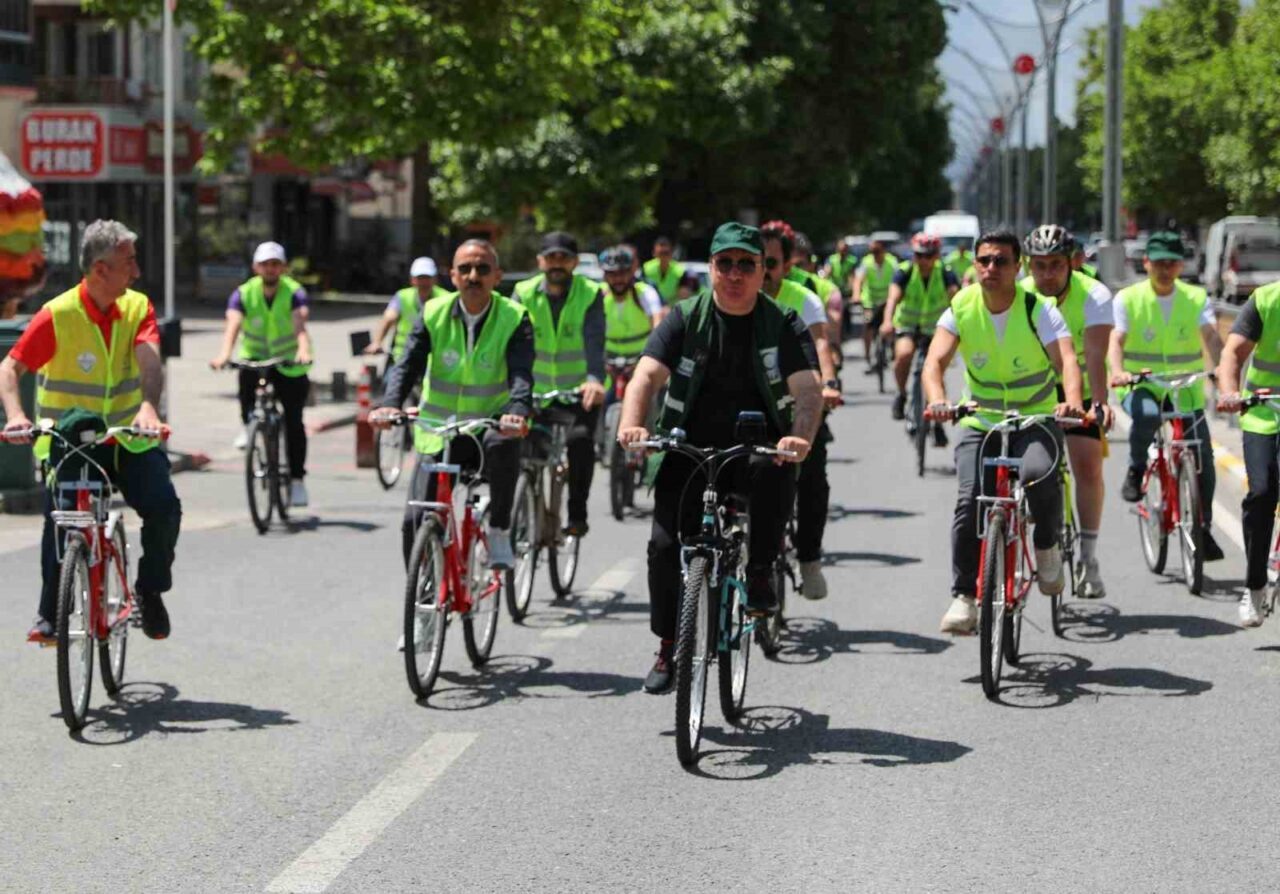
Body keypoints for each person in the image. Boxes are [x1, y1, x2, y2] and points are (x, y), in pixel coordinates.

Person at [618, 221, 821, 693]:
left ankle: (761, 572)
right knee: (665, 548)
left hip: (755, 446)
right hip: (687, 445)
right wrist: (634, 425)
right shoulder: (685, 317)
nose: (734, 274)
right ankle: (670, 645)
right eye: (724, 263)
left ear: (761, 271)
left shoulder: (783, 322)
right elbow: (645, 377)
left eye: (746, 265)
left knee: (775, 472)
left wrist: (799, 437)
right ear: (711, 267)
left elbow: (808, 392)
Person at [0, 220, 181, 642]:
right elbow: (10, 368)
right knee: (60, 518)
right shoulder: (58, 315)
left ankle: (150, 591)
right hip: (70, 441)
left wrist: (149, 408)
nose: (136, 272)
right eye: (128, 262)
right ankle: (50, 612)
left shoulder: (137, 308)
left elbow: (149, 361)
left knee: (163, 507)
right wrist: (15, 416)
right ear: (100, 269)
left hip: (127, 439)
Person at [923, 230, 1084, 635]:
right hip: (981, 419)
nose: (990, 268)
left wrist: (1072, 402)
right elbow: (934, 362)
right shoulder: (961, 305)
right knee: (968, 500)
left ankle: (1047, 546)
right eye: (984, 260)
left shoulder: (1039, 308)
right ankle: (963, 597)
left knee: (1038, 474)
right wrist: (939, 398)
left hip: (1035, 418)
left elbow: (1066, 359)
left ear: (1018, 268)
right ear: (974, 264)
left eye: (1000, 261)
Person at [371, 240, 531, 569]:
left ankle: (500, 530)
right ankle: (425, 597)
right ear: (453, 276)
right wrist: (390, 404)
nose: (474, 276)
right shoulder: (433, 313)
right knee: (415, 519)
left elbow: (521, 373)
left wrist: (516, 412)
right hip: (439, 432)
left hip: (488, 428)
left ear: (497, 276)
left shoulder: (514, 317)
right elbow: (407, 365)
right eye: (465, 269)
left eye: (483, 269)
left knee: (504, 446)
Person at [1108, 231, 1224, 561]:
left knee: (1204, 461)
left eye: (1171, 262)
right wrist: (1118, 372)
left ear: (1180, 265)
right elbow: (1116, 341)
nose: (1164, 268)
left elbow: (1212, 339)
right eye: (1158, 262)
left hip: (1185, 389)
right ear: (1145, 263)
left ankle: (1203, 528)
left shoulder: (1195, 297)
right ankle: (1136, 467)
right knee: (1145, 416)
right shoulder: (1128, 298)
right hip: (1142, 385)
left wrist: (1220, 372)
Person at [1021, 225, 1114, 598]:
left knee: (1087, 465)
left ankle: (1089, 560)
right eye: (1038, 265)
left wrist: (1099, 404)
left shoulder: (1094, 294)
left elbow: (1094, 354)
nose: (1046, 274)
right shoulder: (1017, 294)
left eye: (1055, 265)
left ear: (1072, 262)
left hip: (1081, 388)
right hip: (1033, 395)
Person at [761, 223, 844, 599]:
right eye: (751, 262)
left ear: (787, 264)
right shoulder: (731, 295)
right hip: (749, 408)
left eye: (770, 263)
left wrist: (827, 383)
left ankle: (809, 558)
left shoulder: (802, 297)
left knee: (812, 481)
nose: (760, 272)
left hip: (798, 404)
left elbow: (821, 343)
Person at [514, 231, 606, 535]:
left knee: (580, 443)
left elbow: (595, 341)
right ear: (540, 261)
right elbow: (510, 343)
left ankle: (576, 513)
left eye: (563, 258)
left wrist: (594, 379)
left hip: (577, 393)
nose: (557, 264)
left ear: (575, 262)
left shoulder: (590, 293)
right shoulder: (523, 293)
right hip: (534, 393)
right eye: (551, 258)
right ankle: (521, 511)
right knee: (519, 450)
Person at [210, 241, 314, 507]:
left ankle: (297, 480)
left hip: (288, 361)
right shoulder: (243, 294)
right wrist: (224, 354)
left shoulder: (294, 292)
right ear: (256, 267)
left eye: (275, 264)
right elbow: (233, 325)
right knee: (245, 382)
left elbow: (299, 324)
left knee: (293, 421)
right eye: (265, 265)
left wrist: (303, 349)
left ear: (283, 268)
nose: (270, 269)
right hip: (255, 357)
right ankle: (249, 425)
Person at [1217, 279, 1280, 625]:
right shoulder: (1266, 300)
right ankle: (1254, 586)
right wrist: (1229, 391)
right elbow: (1232, 353)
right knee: (1262, 492)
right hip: (1263, 413)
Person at [881, 232, 959, 446]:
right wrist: (887, 321)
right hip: (907, 326)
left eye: (928, 255)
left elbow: (957, 302)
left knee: (936, 370)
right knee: (904, 355)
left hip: (935, 330)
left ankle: (939, 424)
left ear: (936, 256)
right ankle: (901, 393)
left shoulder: (945, 273)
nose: (923, 260)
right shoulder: (904, 272)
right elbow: (892, 299)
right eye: (918, 255)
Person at [365, 256, 449, 368]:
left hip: (434, 359)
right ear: (412, 279)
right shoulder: (402, 297)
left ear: (435, 279)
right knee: (391, 383)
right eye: (420, 277)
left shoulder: (446, 298)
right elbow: (388, 318)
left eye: (427, 277)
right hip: (403, 356)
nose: (423, 282)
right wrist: (377, 342)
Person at [601, 245, 663, 362]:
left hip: (641, 361)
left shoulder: (644, 293)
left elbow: (658, 326)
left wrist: (651, 357)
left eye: (623, 273)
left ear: (632, 272)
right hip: (608, 363)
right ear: (605, 275)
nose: (618, 279)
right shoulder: (599, 295)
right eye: (612, 274)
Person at [853, 236, 899, 372]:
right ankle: (868, 356)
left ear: (884, 251)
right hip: (870, 301)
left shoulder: (892, 262)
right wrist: (856, 294)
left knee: (892, 324)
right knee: (867, 326)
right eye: (873, 252)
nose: (876, 256)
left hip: (887, 300)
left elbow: (898, 280)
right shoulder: (866, 262)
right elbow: (858, 280)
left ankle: (892, 349)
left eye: (878, 252)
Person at [642, 236, 685, 305]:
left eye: (666, 253)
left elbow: (683, 294)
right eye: (660, 253)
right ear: (654, 253)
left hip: (673, 309)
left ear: (671, 254)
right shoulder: (646, 268)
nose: (663, 257)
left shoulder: (680, 270)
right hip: (651, 307)